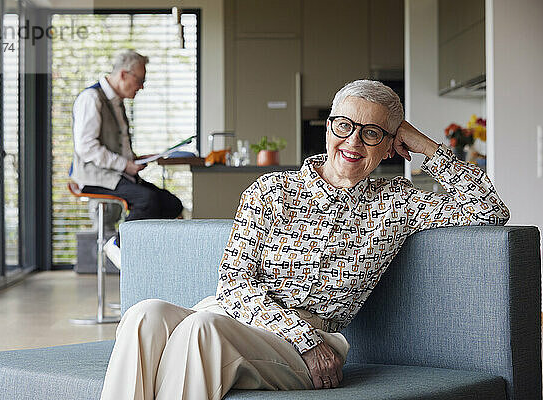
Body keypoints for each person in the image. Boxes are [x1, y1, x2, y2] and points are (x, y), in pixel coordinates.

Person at [100, 80, 510, 399]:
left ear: (389, 147)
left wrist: (426, 147)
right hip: (248, 322)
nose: (352, 141)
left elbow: (489, 210)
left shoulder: (397, 203)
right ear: (329, 127)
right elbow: (233, 285)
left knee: (201, 329)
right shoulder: (271, 190)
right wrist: (302, 338)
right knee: (144, 315)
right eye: (344, 126)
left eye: (371, 133)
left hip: (306, 347)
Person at [70, 50, 184, 242]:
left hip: (118, 175)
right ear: (123, 75)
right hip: (94, 177)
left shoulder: (118, 102)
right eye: (140, 81)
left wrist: (135, 160)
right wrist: (125, 165)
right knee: (147, 200)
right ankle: (119, 248)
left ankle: (146, 251)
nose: (141, 87)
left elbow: (115, 145)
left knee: (171, 204)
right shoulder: (91, 98)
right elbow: (86, 147)